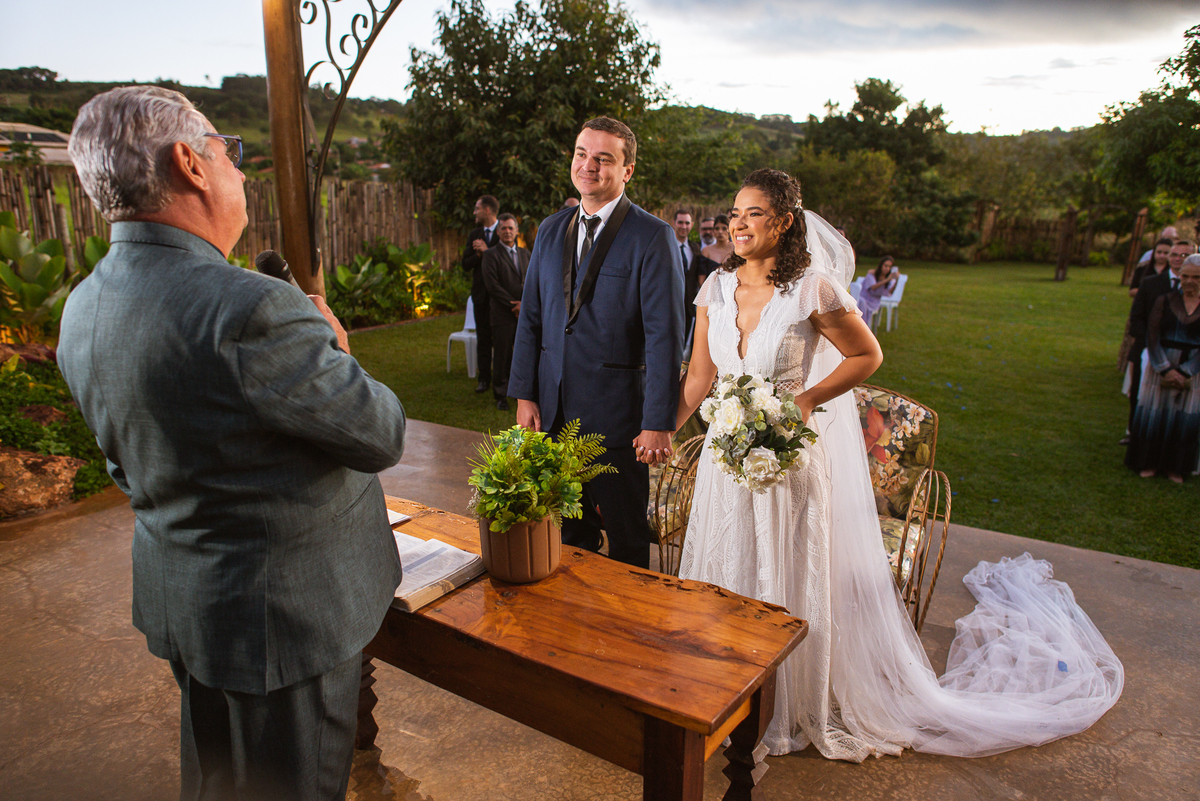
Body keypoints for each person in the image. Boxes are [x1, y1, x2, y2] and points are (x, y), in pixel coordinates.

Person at [675, 168, 1122, 761]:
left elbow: (867, 353)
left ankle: (782, 702)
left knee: (780, 574)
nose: (738, 223)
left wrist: (804, 400)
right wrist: (663, 428)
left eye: (753, 213)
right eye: (734, 213)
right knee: (724, 564)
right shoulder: (714, 288)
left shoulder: (811, 290)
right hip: (725, 461)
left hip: (785, 460)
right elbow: (699, 377)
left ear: (783, 222)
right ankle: (719, 690)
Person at [58, 86, 407, 801]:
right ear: (190, 164)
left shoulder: (85, 303)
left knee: (220, 783)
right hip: (285, 620)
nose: (239, 171)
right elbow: (379, 432)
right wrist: (339, 354)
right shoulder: (249, 307)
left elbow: (128, 464)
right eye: (229, 152)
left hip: (187, 602)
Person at [509, 116, 683, 568]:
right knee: (565, 535)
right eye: (582, 154)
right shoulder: (550, 229)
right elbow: (531, 319)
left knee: (627, 541)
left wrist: (658, 421)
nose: (588, 165)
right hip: (553, 414)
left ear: (627, 171)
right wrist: (525, 394)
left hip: (618, 420)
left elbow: (665, 337)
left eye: (603, 159)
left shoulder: (653, 236)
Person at [1125, 254, 1200, 482]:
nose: (1189, 281)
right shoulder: (1164, 301)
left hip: (1192, 367)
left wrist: (1186, 371)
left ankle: (1174, 467)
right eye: (1185, 276)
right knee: (1154, 414)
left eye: (1196, 277)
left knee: (1182, 418)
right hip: (1161, 362)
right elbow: (1152, 335)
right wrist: (1165, 369)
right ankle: (1148, 462)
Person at [481, 212, 531, 410]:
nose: (507, 231)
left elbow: (533, 281)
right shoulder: (490, 255)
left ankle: (523, 393)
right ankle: (501, 395)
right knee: (502, 355)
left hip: (524, 314)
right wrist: (514, 305)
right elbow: (492, 286)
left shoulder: (526, 254)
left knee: (525, 354)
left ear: (517, 230)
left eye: (511, 228)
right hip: (502, 314)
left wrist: (524, 305)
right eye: (503, 228)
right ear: (498, 232)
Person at [462, 195, 500, 393]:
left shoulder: (504, 230)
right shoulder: (474, 234)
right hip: (480, 295)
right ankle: (483, 378)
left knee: (501, 339)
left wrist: (487, 251)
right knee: (483, 338)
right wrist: (478, 255)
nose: (474, 212)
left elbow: (507, 260)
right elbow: (465, 264)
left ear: (487, 210)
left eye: (477, 208)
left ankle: (503, 378)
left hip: (500, 296)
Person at [672, 208, 717, 351]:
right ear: (674, 223)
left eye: (687, 223)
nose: (683, 226)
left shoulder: (696, 249)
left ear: (691, 225)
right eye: (680, 222)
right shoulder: (664, 246)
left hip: (688, 308)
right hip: (668, 304)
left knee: (682, 347)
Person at [858, 255, 900, 326]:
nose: (887, 268)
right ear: (881, 265)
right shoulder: (872, 274)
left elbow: (889, 292)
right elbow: (873, 287)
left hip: (874, 302)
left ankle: (862, 326)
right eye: (885, 266)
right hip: (864, 298)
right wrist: (887, 280)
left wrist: (897, 281)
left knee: (861, 302)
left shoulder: (889, 279)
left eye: (889, 267)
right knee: (860, 302)